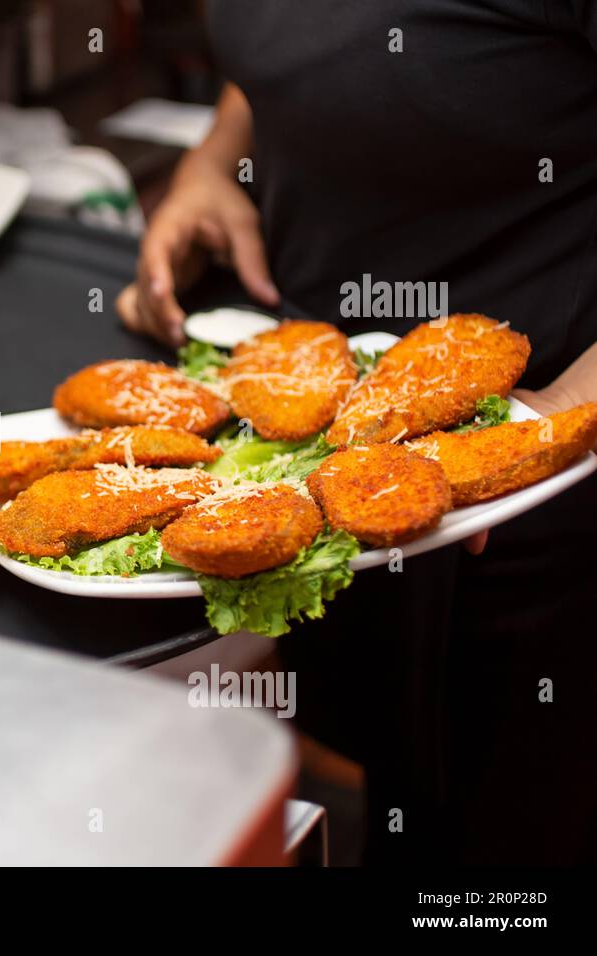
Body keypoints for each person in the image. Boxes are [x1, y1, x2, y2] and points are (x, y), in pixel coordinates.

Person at [118, 1, 597, 864]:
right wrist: (215, 160)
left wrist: (545, 426)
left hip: (542, 487)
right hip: (337, 452)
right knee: (391, 806)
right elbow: (291, 45)